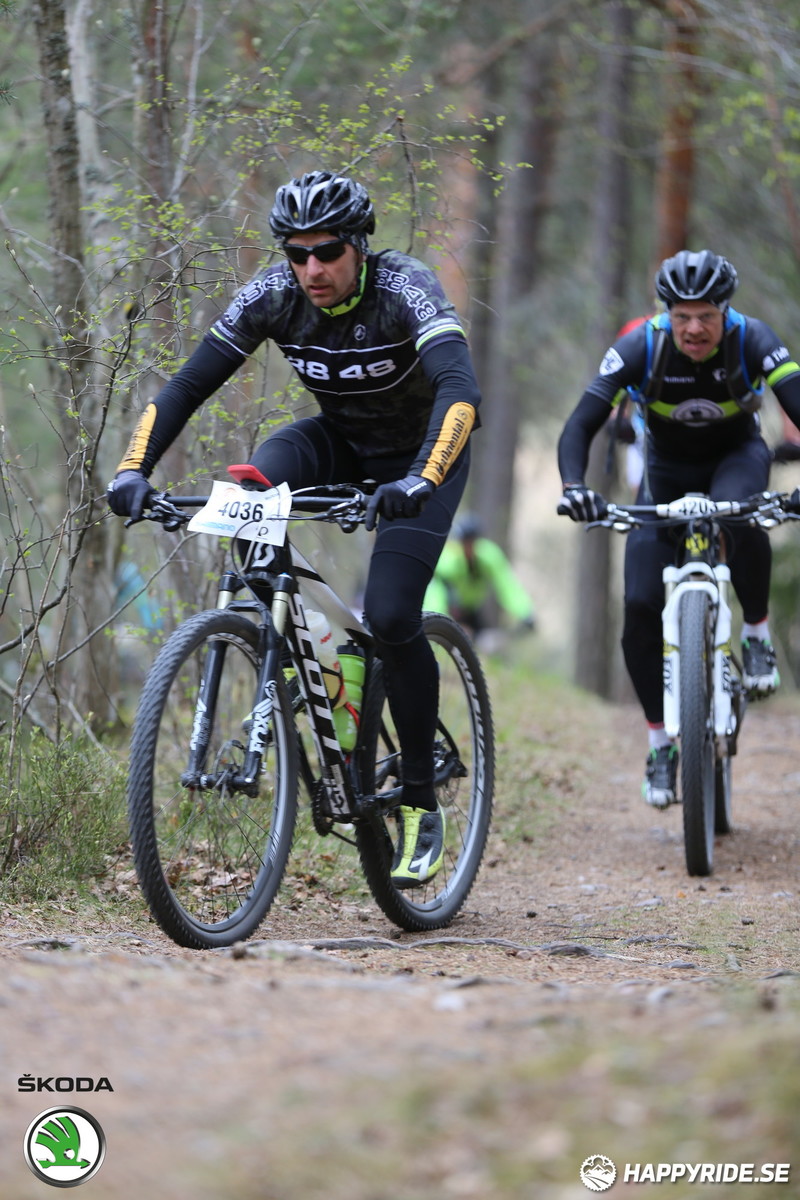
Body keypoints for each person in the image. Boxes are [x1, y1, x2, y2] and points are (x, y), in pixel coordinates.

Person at [107, 169, 482, 887]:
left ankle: (418, 799)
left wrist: (421, 480)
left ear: (360, 247)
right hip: (337, 440)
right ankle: (309, 661)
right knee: (251, 484)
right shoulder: (275, 296)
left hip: (423, 458)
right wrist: (134, 468)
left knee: (397, 612)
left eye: (328, 251)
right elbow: (187, 386)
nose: (312, 268)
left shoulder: (406, 289)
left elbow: (461, 391)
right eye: (297, 253)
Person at [557, 249, 800, 808]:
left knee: (739, 515)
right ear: (665, 312)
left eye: (706, 317)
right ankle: (660, 743)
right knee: (640, 606)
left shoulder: (754, 340)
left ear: (726, 313)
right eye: (682, 316)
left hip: (736, 459)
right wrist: (575, 486)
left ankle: (756, 634)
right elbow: (582, 422)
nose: (693, 329)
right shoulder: (641, 345)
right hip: (663, 477)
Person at [424, 513, 535, 640]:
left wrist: (525, 612)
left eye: (472, 542)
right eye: (464, 542)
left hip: (473, 612)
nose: (468, 547)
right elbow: (435, 595)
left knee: (486, 646)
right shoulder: (447, 563)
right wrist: (446, 622)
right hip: (447, 613)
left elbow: (507, 586)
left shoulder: (488, 556)